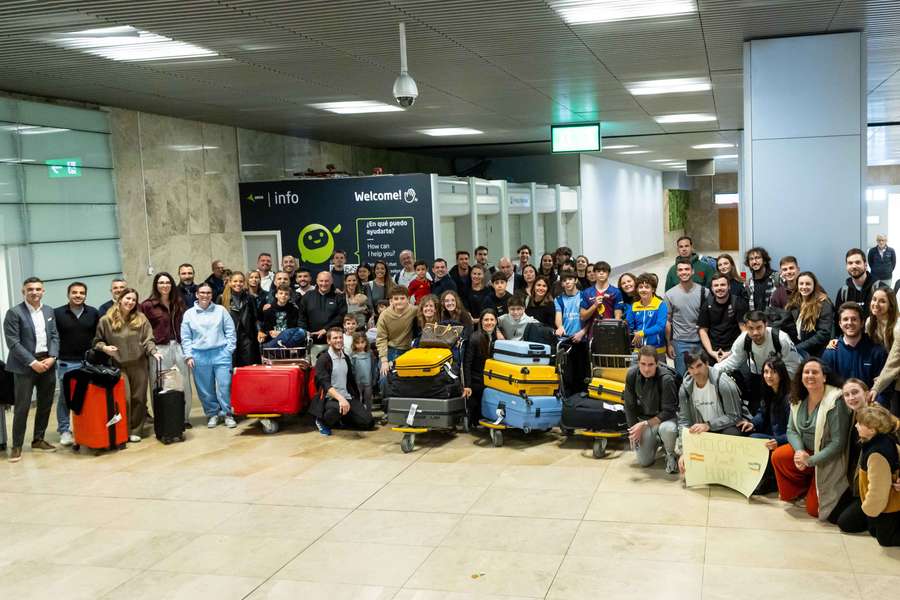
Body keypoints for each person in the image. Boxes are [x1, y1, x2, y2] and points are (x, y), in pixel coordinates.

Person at [772, 357, 851, 522]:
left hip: (828, 459)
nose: (810, 375)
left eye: (815, 372)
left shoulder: (836, 401)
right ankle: (802, 489)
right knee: (779, 456)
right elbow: (791, 430)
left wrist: (811, 460)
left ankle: (813, 487)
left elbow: (838, 443)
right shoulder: (798, 397)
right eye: (806, 372)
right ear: (801, 377)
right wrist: (800, 451)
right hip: (807, 454)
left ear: (824, 377)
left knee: (814, 510)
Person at [4, 277, 61, 462]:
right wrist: (32, 362)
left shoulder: (49, 310)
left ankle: (38, 439)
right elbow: (13, 342)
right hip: (24, 367)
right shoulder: (14, 313)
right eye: (30, 289)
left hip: (47, 363)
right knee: (22, 407)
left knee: (45, 404)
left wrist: (53, 357)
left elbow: (54, 336)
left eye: (38, 289)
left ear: (43, 291)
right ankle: (17, 446)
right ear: (24, 292)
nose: (34, 292)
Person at [94, 287, 160, 442]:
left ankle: (136, 430)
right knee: (125, 399)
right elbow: (97, 341)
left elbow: (148, 339)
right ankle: (122, 429)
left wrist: (153, 351)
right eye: (127, 298)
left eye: (133, 300)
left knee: (139, 399)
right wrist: (104, 348)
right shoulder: (106, 320)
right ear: (120, 299)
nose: (130, 302)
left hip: (139, 365)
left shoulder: (141, 318)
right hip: (118, 365)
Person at [675, 350, 752, 471]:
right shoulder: (685, 388)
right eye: (691, 368)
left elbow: (735, 416)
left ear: (706, 364)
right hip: (703, 430)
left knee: (731, 434)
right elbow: (684, 421)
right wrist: (683, 451)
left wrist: (709, 425)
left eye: (699, 366)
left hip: (726, 427)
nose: (696, 372)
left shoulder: (723, 382)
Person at [181, 282, 237, 429]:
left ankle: (227, 414)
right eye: (202, 293)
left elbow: (231, 331)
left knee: (225, 386)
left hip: (221, 353)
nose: (205, 295)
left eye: (208, 293)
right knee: (205, 389)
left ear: (212, 295)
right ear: (197, 294)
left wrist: (229, 350)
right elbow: (186, 337)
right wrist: (189, 355)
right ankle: (212, 414)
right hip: (199, 355)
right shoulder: (189, 314)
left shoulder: (221, 310)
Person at [142, 272, 193, 428]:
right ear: (156, 285)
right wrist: (150, 348)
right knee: (158, 383)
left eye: (167, 282)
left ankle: (183, 418)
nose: (164, 285)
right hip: (159, 348)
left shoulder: (179, 302)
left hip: (179, 345)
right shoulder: (147, 305)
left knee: (183, 382)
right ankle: (162, 418)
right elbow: (144, 330)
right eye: (161, 282)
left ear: (172, 284)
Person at [54, 282, 100, 446]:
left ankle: (85, 427)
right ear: (68, 294)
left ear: (85, 295)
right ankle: (65, 430)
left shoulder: (93, 312)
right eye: (74, 292)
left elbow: (98, 336)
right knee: (65, 398)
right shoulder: (58, 313)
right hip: (66, 362)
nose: (78, 295)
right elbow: (53, 337)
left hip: (89, 363)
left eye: (81, 293)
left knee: (87, 396)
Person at [624, 346, 679, 472]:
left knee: (668, 430)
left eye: (650, 364)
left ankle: (670, 454)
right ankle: (657, 440)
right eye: (643, 364)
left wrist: (644, 424)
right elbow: (629, 405)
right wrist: (633, 430)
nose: (646, 369)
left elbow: (668, 411)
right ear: (638, 363)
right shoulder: (632, 375)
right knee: (644, 462)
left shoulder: (666, 379)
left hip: (665, 419)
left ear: (657, 363)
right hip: (645, 419)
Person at [719, 310, 804, 394]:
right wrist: (714, 370)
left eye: (759, 327)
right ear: (745, 327)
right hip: (758, 375)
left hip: (779, 377)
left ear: (765, 325)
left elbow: (793, 367)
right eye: (751, 328)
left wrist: (779, 384)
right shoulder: (743, 340)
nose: (755, 332)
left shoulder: (781, 339)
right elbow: (734, 361)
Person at [852, 404, 900, 546]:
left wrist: (869, 510)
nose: (856, 426)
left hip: (888, 506)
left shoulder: (876, 454)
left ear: (872, 429)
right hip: (883, 504)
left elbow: (878, 489)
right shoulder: (885, 439)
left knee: (886, 539)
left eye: (860, 424)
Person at [312, 327, 375, 435]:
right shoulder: (323, 359)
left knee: (368, 422)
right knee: (336, 411)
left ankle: (342, 419)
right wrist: (340, 398)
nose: (339, 340)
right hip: (329, 399)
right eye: (335, 338)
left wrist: (356, 401)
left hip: (346, 397)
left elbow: (350, 381)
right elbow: (325, 384)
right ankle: (321, 421)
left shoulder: (345, 358)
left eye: (340, 337)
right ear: (328, 341)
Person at [821, 302, 886, 392]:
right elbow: (826, 386)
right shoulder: (831, 353)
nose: (850, 323)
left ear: (862, 323)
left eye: (854, 319)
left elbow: (884, 388)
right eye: (845, 319)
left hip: (869, 404)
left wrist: (875, 403)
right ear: (840, 323)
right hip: (839, 403)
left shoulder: (877, 351)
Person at [665, 257, 706, 375]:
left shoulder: (704, 292)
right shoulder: (670, 295)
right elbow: (668, 321)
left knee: (701, 375)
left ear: (693, 271)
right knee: (681, 377)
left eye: (687, 269)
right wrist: (669, 344)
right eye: (681, 270)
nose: (684, 272)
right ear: (677, 273)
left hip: (700, 341)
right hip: (680, 342)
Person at [698, 273, 749, 365]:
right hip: (712, 352)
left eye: (723, 285)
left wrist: (731, 352)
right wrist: (711, 352)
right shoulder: (707, 305)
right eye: (716, 285)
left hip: (734, 351)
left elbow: (744, 331)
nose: (719, 288)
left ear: (729, 286)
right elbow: (703, 331)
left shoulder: (738, 303)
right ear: (712, 288)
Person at [834, 248, 887, 328]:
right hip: (851, 339)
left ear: (865, 265)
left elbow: (890, 317)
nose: (854, 266)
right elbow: (838, 320)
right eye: (850, 263)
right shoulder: (843, 292)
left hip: (875, 338)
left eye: (858, 262)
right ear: (846, 266)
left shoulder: (881, 288)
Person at [298, 271, 347, 358]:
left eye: (327, 281)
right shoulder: (307, 297)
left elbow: (341, 316)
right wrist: (306, 332)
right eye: (321, 281)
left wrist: (325, 329)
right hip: (312, 343)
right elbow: (302, 317)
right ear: (316, 281)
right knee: (314, 369)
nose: (324, 284)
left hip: (333, 342)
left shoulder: (339, 297)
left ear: (332, 281)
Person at [463, 309, 499, 428]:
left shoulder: (498, 337)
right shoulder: (474, 338)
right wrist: (467, 385)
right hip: (477, 380)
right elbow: (467, 363)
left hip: (493, 380)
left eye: (492, 319)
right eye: (486, 320)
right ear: (481, 322)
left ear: (496, 321)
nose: (489, 322)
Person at [556, 270, 589, 393]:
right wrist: (560, 327)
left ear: (575, 280)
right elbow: (558, 318)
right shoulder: (559, 299)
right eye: (564, 280)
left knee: (582, 372)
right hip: (567, 340)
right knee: (568, 374)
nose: (567, 282)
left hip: (582, 338)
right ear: (562, 284)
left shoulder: (584, 295)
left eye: (570, 279)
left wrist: (583, 332)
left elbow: (589, 318)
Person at [787, 271, 834, 357]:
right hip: (798, 351)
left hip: (816, 353)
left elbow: (824, 333)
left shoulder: (824, 303)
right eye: (801, 284)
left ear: (814, 285)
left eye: (808, 284)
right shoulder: (794, 302)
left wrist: (799, 347)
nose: (804, 287)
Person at [219, 271, 261, 368]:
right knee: (231, 369)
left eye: (241, 281)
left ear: (244, 283)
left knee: (248, 369)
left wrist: (259, 331)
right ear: (229, 282)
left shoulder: (250, 298)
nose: (238, 284)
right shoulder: (221, 298)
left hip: (247, 338)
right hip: (229, 339)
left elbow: (256, 318)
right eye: (235, 281)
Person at [376, 286, 417, 381]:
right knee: (385, 377)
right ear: (391, 301)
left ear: (408, 299)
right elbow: (381, 339)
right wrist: (384, 360)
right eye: (396, 299)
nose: (399, 301)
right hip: (391, 349)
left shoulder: (414, 311)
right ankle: (384, 396)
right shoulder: (384, 316)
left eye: (402, 298)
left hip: (409, 350)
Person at [625, 273, 668, 361]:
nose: (643, 290)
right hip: (639, 349)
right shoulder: (634, 306)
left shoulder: (660, 305)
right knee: (633, 372)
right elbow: (628, 325)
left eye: (647, 287)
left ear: (653, 289)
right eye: (640, 287)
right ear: (637, 289)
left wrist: (642, 333)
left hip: (657, 350)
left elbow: (660, 326)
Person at [580, 261, 624, 334]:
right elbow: (583, 317)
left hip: (611, 332)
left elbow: (618, 316)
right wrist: (594, 305)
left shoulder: (616, 292)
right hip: (593, 333)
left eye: (604, 271)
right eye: (598, 271)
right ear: (594, 273)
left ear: (608, 273)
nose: (601, 273)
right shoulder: (587, 292)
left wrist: (615, 332)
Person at [768, 256, 800, 338]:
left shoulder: (808, 287)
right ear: (781, 272)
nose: (788, 272)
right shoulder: (777, 294)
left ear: (798, 269)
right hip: (789, 338)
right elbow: (775, 322)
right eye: (785, 269)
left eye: (791, 268)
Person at [349, 332, 375, 412]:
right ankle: (359, 413)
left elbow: (373, 367)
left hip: (368, 381)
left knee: (368, 398)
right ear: (354, 344)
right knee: (358, 398)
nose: (360, 345)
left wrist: (373, 379)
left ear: (366, 342)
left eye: (362, 342)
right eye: (357, 343)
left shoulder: (370, 353)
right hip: (357, 382)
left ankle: (368, 413)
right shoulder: (353, 355)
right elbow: (352, 369)